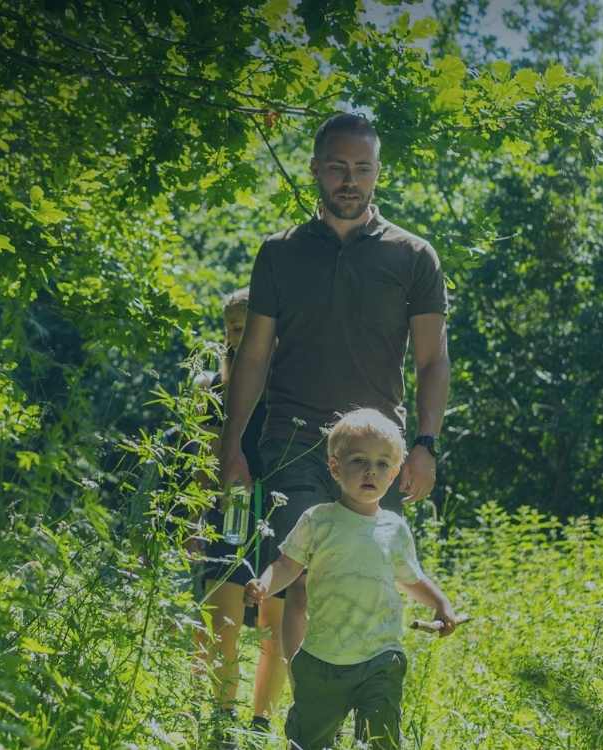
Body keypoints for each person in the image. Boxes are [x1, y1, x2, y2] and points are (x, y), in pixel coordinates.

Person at [219, 112, 452, 668]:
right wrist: (231, 448)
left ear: (377, 174)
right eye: (339, 168)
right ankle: (308, 713)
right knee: (300, 578)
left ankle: (356, 702)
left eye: (363, 169)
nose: (350, 180)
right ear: (316, 170)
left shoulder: (413, 256)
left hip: (376, 448)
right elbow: (252, 357)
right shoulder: (279, 252)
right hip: (293, 441)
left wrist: (425, 443)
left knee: (367, 582)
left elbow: (432, 358)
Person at [246, 409, 463, 750]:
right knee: (307, 742)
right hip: (322, 660)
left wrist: (441, 603)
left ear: (393, 474)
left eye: (380, 464)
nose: (369, 471)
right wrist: (263, 584)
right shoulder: (318, 520)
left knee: (381, 740)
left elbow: (410, 578)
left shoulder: (394, 528)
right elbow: (287, 565)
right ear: (335, 467)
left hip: (380, 657)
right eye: (359, 460)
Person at [190, 289, 289, 743]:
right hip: (230, 505)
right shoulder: (211, 387)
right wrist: (196, 520)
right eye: (232, 326)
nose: (240, 334)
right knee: (221, 614)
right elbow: (205, 460)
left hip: (283, 505)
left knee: (276, 618)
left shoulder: (292, 383)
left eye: (250, 325)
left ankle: (261, 723)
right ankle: (221, 718)